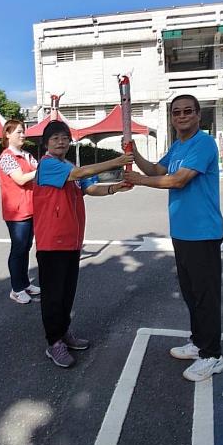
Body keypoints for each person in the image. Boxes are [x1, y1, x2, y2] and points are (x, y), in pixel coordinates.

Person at [123, 94, 223, 382]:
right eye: (176, 112)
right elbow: (156, 170)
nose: (181, 116)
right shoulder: (178, 146)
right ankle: (199, 341)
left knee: (205, 296)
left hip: (203, 232)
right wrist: (134, 155)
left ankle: (212, 355)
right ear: (172, 117)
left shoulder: (203, 143)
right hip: (182, 232)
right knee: (192, 293)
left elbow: (178, 180)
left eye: (187, 111)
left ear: (197, 115)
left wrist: (138, 181)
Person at [33, 120, 133, 368]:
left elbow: (89, 188)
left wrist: (115, 188)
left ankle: (64, 332)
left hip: (71, 241)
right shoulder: (47, 165)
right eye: (55, 138)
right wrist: (115, 162)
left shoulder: (68, 164)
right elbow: (79, 175)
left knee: (67, 293)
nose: (61, 141)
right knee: (53, 296)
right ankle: (54, 342)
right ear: (46, 143)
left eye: (64, 137)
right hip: (51, 242)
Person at [0, 119, 41, 304]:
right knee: (18, 249)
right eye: (18, 132)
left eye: (23, 132)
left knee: (25, 248)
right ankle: (16, 288)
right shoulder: (6, 157)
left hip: (30, 208)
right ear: (7, 134)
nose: (23, 135)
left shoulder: (27, 155)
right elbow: (21, 179)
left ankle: (24, 283)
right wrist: (43, 170)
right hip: (16, 212)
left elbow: (38, 170)